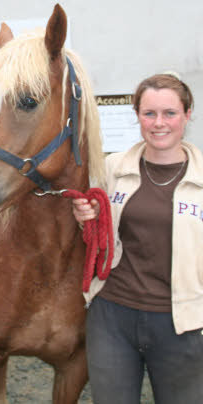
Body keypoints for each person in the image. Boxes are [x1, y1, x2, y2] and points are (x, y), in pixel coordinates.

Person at [72, 73, 203, 404]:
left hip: (184, 324)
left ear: (188, 114)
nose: (159, 123)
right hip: (113, 317)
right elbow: (94, 234)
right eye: (149, 114)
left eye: (170, 113)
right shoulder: (111, 169)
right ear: (138, 116)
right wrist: (83, 216)